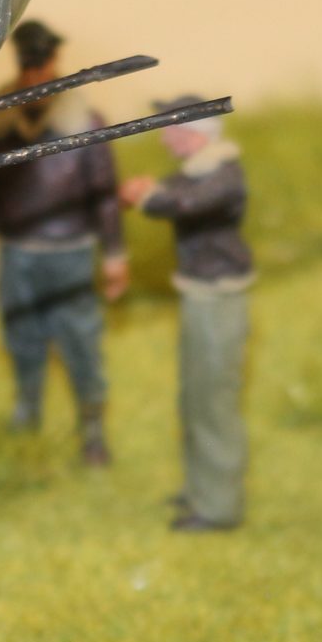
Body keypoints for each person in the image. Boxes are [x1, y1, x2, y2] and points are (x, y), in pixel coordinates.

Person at [0, 19, 129, 467]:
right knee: (22, 336)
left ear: (54, 63)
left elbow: (105, 193)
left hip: (71, 251)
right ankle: (28, 411)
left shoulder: (84, 121)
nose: (35, 75)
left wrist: (115, 253)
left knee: (80, 339)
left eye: (42, 65)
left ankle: (92, 425)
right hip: (19, 251)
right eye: (28, 66)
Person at [123, 97, 253, 533]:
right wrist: (150, 189)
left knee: (213, 403)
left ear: (196, 133)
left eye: (172, 129)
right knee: (195, 398)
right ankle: (202, 489)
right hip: (200, 295)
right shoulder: (198, 170)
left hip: (219, 300)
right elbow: (174, 190)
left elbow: (183, 204)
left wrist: (146, 196)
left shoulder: (223, 176)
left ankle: (219, 507)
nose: (165, 138)